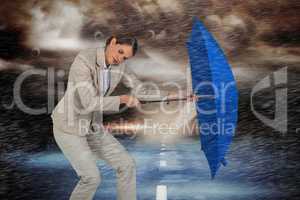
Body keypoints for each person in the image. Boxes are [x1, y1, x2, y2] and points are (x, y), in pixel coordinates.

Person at [51, 35, 168, 200]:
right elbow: (88, 102)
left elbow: (141, 89)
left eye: (125, 57)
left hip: (93, 127)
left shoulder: (120, 66)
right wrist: (122, 99)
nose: (120, 59)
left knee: (127, 166)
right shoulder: (84, 60)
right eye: (120, 52)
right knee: (91, 179)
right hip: (69, 127)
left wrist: (173, 95)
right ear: (113, 42)